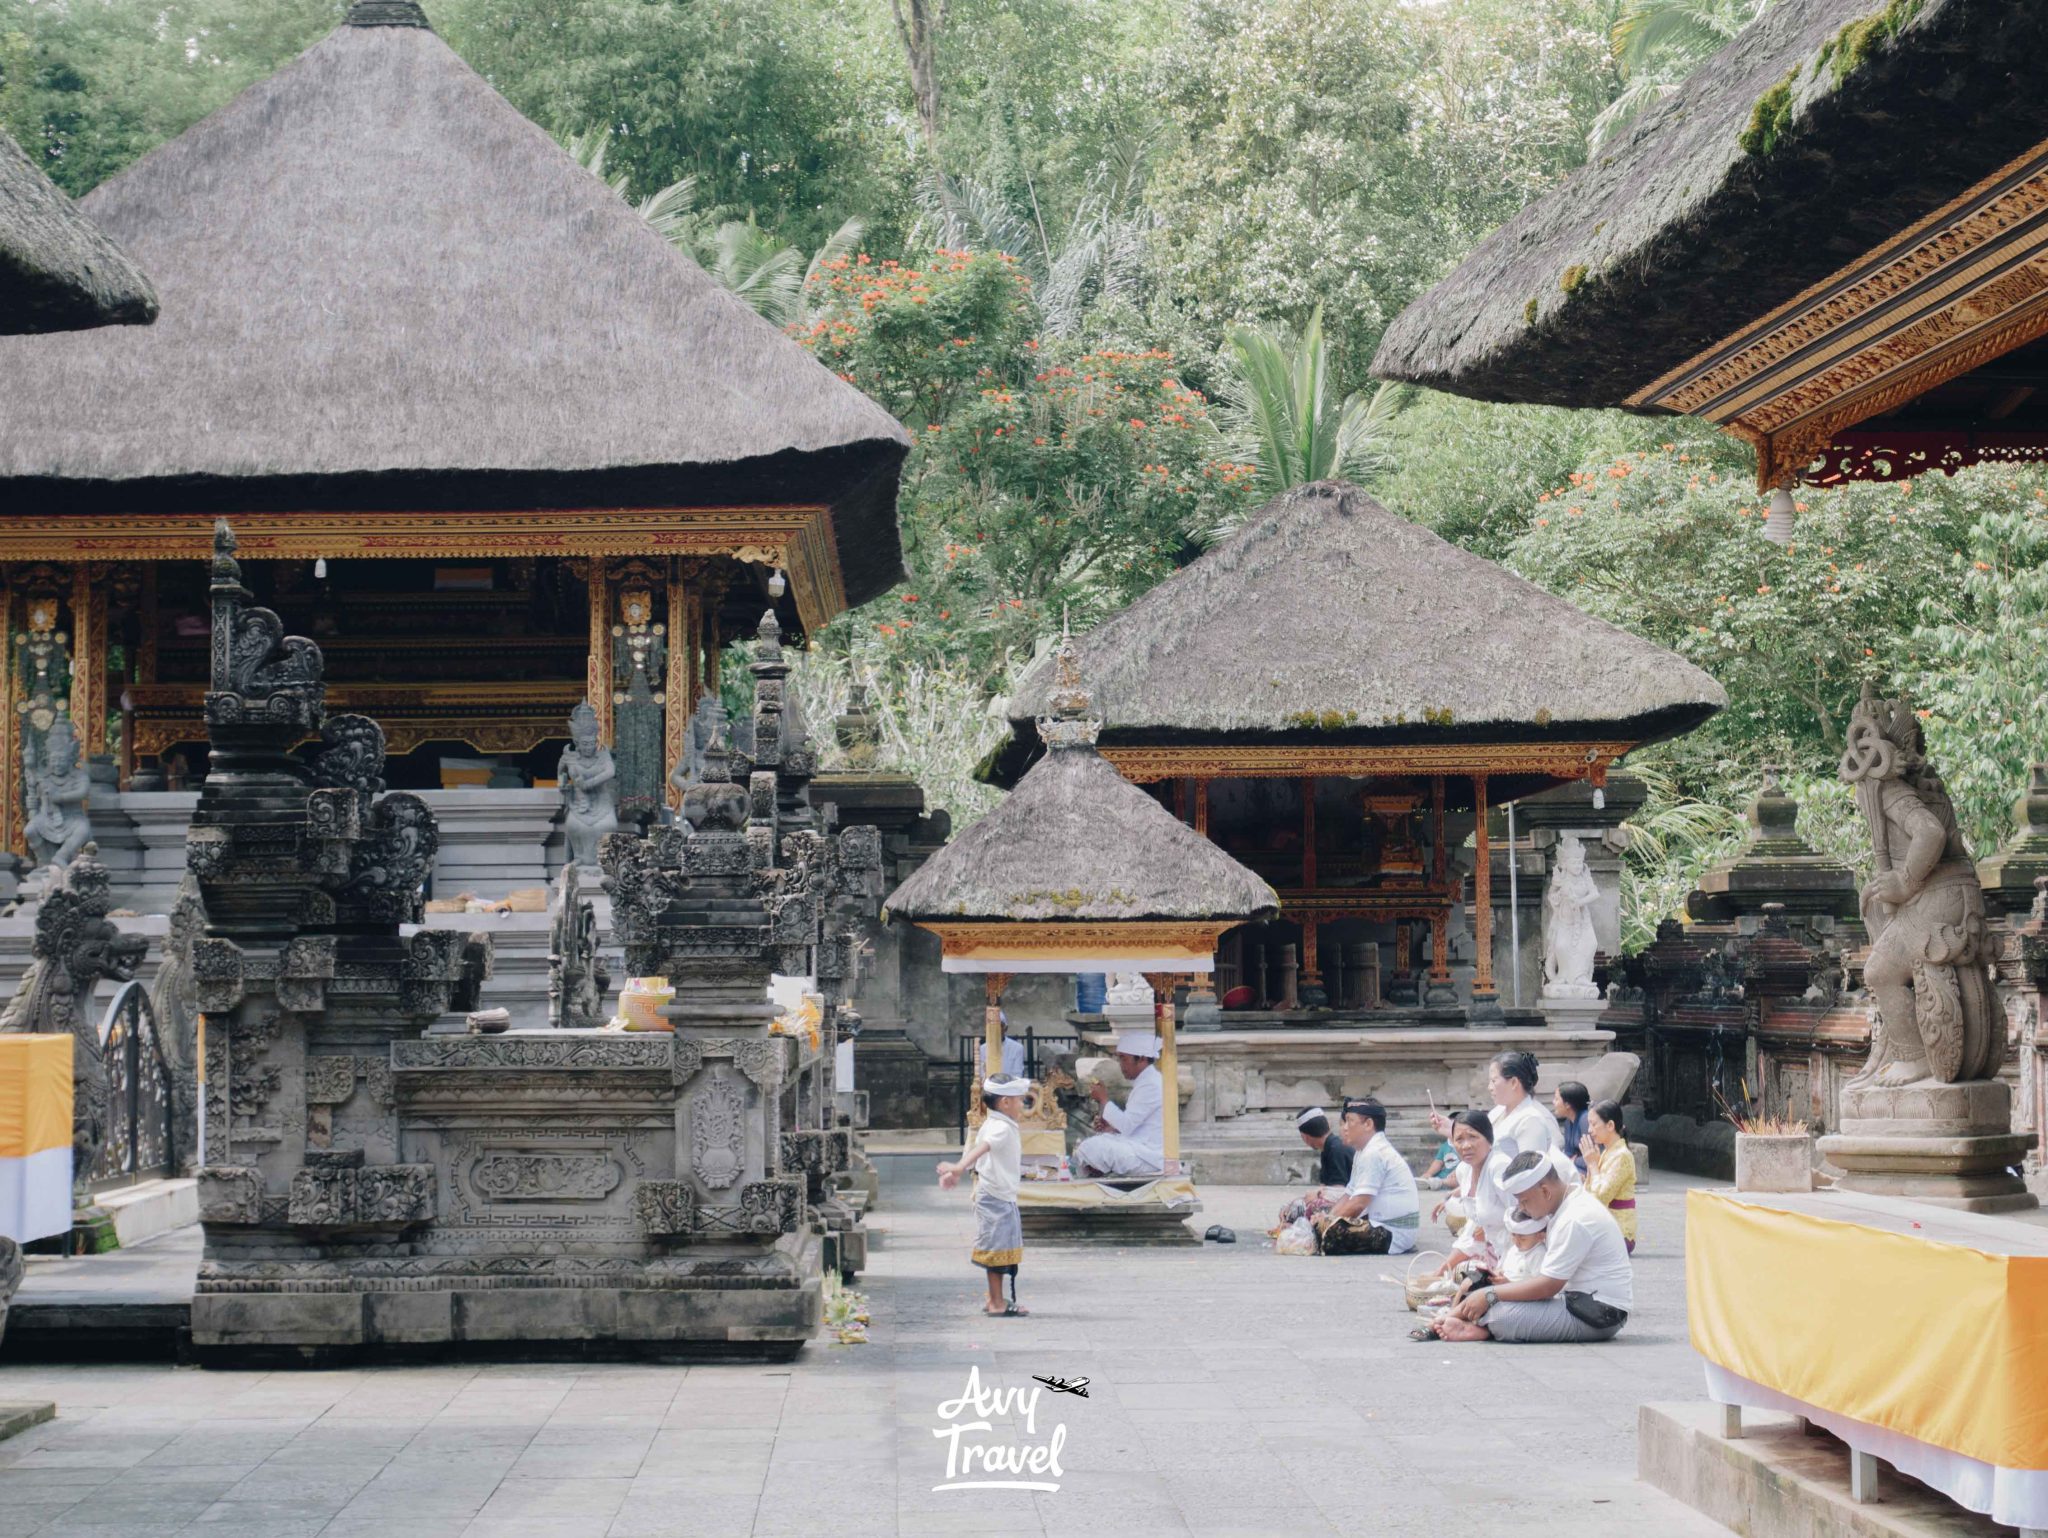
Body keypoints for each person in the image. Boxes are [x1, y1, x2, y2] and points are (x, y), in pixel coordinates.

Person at [1432, 1149, 1633, 1343]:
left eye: (1524, 1200)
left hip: (1598, 1314)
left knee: (1501, 1316)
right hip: (1575, 1301)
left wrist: (1489, 1295)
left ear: (1545, 1191)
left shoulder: (1574, 1219)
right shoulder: (1566, 1204)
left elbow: (1548, 1286)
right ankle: (1468, 1321)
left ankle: (1482, 1329)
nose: (1521, 1208)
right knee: (1491, 1295)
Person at [939, 1074, 1030, 1316]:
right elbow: (982, 1148)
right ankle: (997, 1302)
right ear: (1005, 1103)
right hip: (995, 1196)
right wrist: (958, 1168)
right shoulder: (999, 1127)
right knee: (997, 1250)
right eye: (1020, 1100)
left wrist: (959, 1169)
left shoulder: (995, 1123)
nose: (1023, 1105)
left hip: (997, 1194)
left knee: (999, 1248)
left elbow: (976, 1150)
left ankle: (995, 1298)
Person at [1314, 1100, 1421, 1256]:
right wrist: (1328, 1218)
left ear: (1368, 1124)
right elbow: (1349, 1195)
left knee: (1327, 1232)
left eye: (1350, 1121)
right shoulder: (1363, 1152)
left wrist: (1326, 1223)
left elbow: (1359, 1203)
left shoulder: (1374, 1152)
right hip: (1381, 1225)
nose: (1345, 1128)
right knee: (1321, 1219)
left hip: (1393, 1233)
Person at [1421, 1108, 1511, 1277]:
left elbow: (1524, 1215)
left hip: (1516, 1255)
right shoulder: (1464, 1170)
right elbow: (1471, 1233)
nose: (1466, 1145)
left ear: (1489, 1139)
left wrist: (1492, 1230)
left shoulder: (1499, 1167)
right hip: (1490, 1252)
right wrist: (1441, 1271)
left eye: (1473, 1137)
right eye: (1459, 1139)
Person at [1077, 1029, 1164, 1176]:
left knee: (1092, 1148)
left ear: (1141, 1059)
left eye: (1124, 1059)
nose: (1121, 1065)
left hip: (1149, 1156)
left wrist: (1103, 1099)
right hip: (1138, 1147)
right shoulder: (1146, 1081)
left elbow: (1127, 1125)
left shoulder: (1151, 1084)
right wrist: (1112, 1128)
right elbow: (1132, 1124)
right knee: (1095, 1143)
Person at [1580, 1098, 1638, 1254]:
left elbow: (1600, 1198)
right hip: (1604, 1227)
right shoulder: (1607, 1152)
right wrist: (1591, 1166)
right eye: (1589, 1124)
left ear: (1610, 1125)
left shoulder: (1622, 1156)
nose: (1590, 1130)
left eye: (1594, 1124)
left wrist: (1592, 1165)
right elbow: (1589, 1196)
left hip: (1619, 1233)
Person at [1297, 1106, 1354, 1187]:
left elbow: (1338, 1189)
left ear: (1304, 1137)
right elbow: (1324, 1185)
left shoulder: (1336, 1150)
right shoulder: (1329, 1147)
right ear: (1328, 1125)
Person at [1495, 1208, 1550, 1283]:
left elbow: (1539, 1286)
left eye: (1523, 1239)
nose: (1516, 1242)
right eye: (1513, 1235)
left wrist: (1509, 1284)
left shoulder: (1539, 1254)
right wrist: (1500, 1274)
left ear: (1540, 1236)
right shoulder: (1513, 1249)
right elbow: (1507, 1271)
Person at [973, 1009, 1027, 1082]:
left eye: (999, 1026)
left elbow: (1017, 1075)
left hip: (1010, 1089)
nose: (995, 1030)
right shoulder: (983, 1049)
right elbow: (982, 1075)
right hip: (989, 1089)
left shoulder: (1017, 1048)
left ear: (1005, 1028)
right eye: (992, 1027)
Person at [1554, 1081, 1591, 1175]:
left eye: (1556, 1099)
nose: (1553, 1102)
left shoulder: (1585, 1120)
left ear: (1567, 1104)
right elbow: (1568, 1152)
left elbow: (1595, 1154)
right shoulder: (1568, 1122)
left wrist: (1574, 1161)